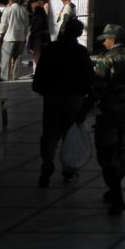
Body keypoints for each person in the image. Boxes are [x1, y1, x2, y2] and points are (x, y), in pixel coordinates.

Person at [32, 16, 93, 187]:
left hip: (52, 97)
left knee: (50, 133)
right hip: (74, 98)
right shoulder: (81, 52)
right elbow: (89, 78)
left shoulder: (52, 48)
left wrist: (40, 89)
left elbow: (41, 72)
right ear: (79, 33)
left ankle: (47, 163)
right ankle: (69, 170)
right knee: (70, 134)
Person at [86, 23, 125, 215]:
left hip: (109, 112)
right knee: (120, 148)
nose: (105, 42)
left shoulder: (106, 59)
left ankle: (116, 193)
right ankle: (114, 187)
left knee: (106, 153)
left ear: (113, 39)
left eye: (106, 39)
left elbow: (98, 88)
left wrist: (84, 109)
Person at [0, 0, 29, 80]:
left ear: (10, 1)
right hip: (21, 37)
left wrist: (0, 35)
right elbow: (27, 25)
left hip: (9, 37)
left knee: (6, 57)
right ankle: (15, 75)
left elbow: (3, 24)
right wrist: (25, 35)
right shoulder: (24, 11)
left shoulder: (8, 10)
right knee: (18, 57)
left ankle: (5, 76)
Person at [27, 0, 51, 71]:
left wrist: (32, 30)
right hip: (42, 36)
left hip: (38, 36)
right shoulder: (42, 14)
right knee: (39, 53)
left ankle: (36, 70)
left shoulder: (38, 14)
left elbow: (36, 26)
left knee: (36, 53)